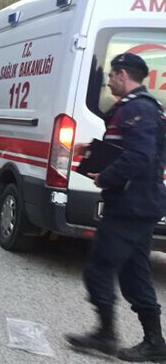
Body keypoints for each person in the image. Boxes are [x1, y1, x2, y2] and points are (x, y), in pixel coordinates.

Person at [66, 53, 166, 362]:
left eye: (111, 75)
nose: (108, 81)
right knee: (134, 273)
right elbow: (124, 148)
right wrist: (93, 151)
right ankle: (155, 343)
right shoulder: (132, 109)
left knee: (100, 266)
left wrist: (105, 176)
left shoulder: (138, 109)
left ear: (123, 74)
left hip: (131, 205)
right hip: (137, 203)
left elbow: (139, 156)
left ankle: (106, 334)